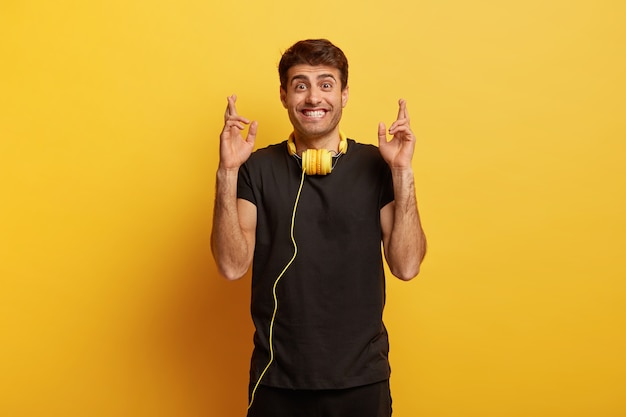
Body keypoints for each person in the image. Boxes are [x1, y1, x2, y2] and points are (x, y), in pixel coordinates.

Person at [211, 39, 426, 417]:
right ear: (284, 95)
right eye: (300, 85)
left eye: (326, 84)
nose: (314, 97)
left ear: (344, 94)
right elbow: (232, 266)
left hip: (362, 379)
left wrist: (403, 172)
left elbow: (406, 266)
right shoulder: (255, 169)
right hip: (276, 380)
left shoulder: (378, 165)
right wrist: (227, 172)